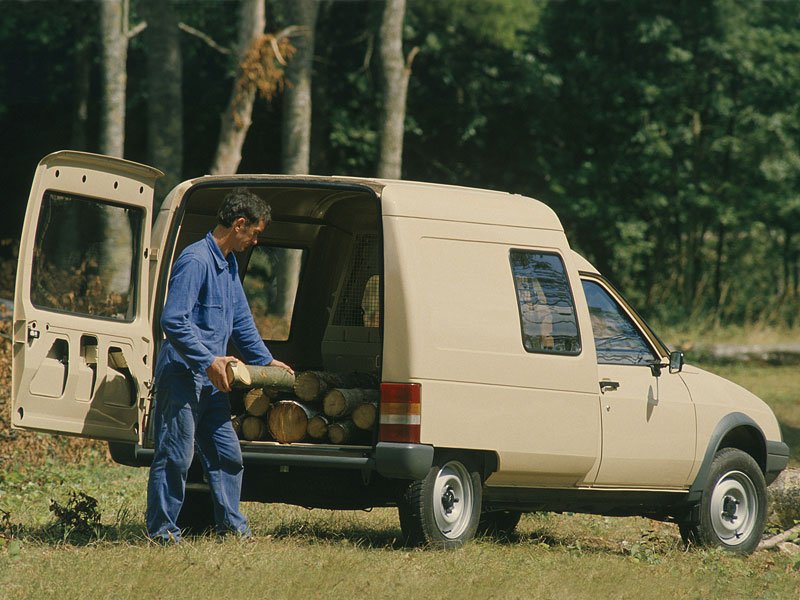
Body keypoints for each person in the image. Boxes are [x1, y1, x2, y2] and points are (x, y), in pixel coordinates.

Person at [146, 187, 292, 543]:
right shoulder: (195, 261)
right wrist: (208, 360)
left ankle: (233, 529)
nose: (255, 241)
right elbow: (173, 320)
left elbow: (241, 321)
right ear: (239, 224)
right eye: (255, 233)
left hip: (213, 382)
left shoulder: (227, 265)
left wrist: (265, 361)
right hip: (182, 374)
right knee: (176, 456)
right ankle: (162, 533)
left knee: (228, 454)